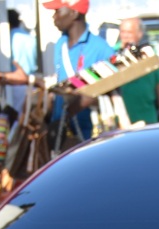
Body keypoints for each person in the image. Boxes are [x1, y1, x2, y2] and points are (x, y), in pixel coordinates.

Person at [43, 0, 115, 142]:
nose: (54, 17)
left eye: (58, 11)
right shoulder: (60, 45)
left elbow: (112, 87)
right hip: (60, 133)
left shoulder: (101, 49)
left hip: (91, 135)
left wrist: (71, 111)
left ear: (74, 13)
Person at [115, 18, 159, 125]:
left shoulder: (148, 55)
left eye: (129, 32)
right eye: (122, 32)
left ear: (139, 34)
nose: (125, 36)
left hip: (148, 116)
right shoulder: (114, 54)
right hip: (122, 120)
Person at [4, 9, 39, 116]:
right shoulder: (30, 38)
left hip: (14, 85)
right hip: (31, 84)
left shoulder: (6, 39)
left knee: (15, 122)